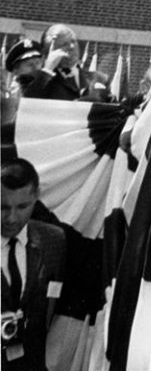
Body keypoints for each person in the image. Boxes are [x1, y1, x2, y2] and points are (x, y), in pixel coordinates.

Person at [1, 157, 66, 371]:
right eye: (2, 207)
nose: (12, 218)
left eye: (22, 206)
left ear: (36, 197)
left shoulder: (53, 240)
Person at [22, 24, 92, 101]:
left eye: (73, 41)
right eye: (64, 44)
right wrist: (48, 69)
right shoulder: (33, 79)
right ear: (47, 52)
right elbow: (28, 102)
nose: (71, 47)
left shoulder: (99, 79)